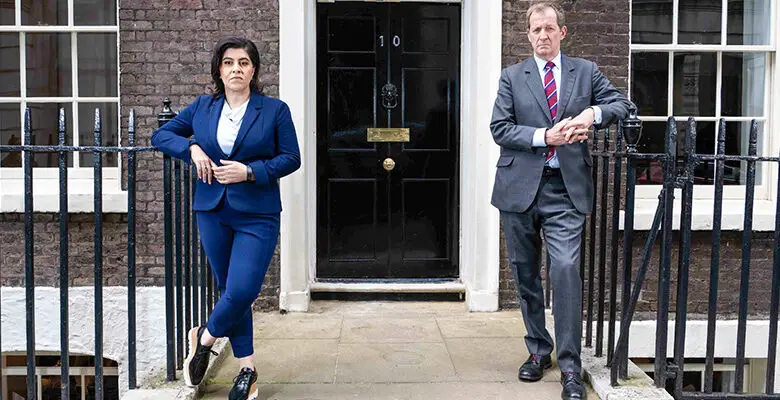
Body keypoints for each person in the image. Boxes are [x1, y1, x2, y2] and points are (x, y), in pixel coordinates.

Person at [489, 3, 631, 400]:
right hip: (519, 189)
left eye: (550, 28)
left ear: (562, 32)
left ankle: (570, 366)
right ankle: (538, 351)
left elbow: (622, 105)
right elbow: (500, 128)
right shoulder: (512, 77)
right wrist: (544, 137)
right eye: (536, 30)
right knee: (526, 275)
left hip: (565, 190)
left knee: (566, 270)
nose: (543, 36)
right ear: (528, 35)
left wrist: (591, 114)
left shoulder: (584, 72)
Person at [151, 36, 301, 400]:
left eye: (244, 63)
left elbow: (291, 158)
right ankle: (247, 370)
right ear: (219, 70)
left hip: (258, 214)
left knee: (243, 290)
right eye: (229, 62)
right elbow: (161, 134)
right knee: (230, 291)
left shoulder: (274, 110)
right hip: (212, 210)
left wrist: (249, 172)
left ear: (254, 70)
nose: (237, 68)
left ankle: (204, 339)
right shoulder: (203, 107)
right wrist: (192, 147)